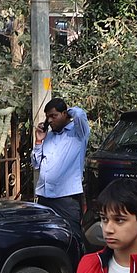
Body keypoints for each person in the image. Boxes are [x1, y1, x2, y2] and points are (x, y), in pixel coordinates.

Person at [33, 96, 91, 240]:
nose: (50, 120)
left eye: (54, 116)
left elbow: (80, 114)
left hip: (66, 198)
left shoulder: (78, 133)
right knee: (46, 237)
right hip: (44, 196)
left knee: (72, 237)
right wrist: (39, 141)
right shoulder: (49, 136)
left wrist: (67, 110)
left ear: (64, 114)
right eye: (48, 117)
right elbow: (36, 164)